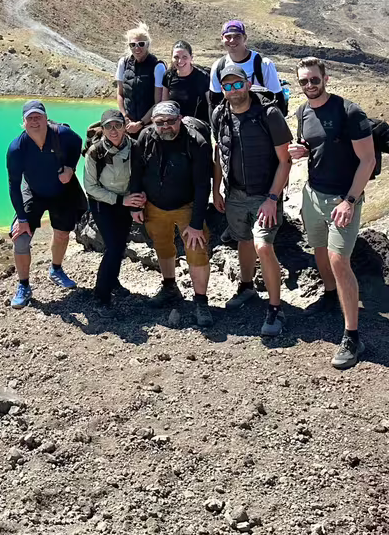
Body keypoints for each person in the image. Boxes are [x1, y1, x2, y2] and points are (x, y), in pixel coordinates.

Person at [289, 57, 376, 369]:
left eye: (315, 79)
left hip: (343, 198)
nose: (310, 86)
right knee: (320, 251)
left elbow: (368, 161)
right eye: (304, 81)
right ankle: (329, 296)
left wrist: (349, 201)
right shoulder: (302, 111)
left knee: (340, 260)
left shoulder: (349, 111)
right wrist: (301, 151)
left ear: (325, 78)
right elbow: (313, 145)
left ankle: (353, 336)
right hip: (313, 194)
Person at [212, 66, 292, 336]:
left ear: (247, 84)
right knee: (243, 240)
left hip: (264, 194)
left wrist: (272, 198)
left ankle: (275, 309)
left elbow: (285, 160)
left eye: (238, 84)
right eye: (228, 86)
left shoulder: (269, 114)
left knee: (263, 245)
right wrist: (216, 189)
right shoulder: (220, 115)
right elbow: (219, 151)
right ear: (222, 89)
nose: (233, 90)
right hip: (234, 193)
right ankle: (246, 287)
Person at [129, 101, 214, 327]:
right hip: (155, 205)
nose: (165, 126)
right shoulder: (146, 137)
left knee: (197, 249)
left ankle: (201, 301)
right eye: (160, 122)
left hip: (186, 205)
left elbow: (203, 185)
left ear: (180, 119)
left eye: (170, 121)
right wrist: (136, 204)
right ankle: (169, 287)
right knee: (162, 245)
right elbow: (136, 171)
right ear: (154, 123)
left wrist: (196, 223)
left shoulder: (197, 142)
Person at [6, 100, 85, 309]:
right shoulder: (17, 148)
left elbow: (78, 143)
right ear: (23, 123)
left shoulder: (61, 134)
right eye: (30, 118)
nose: (34, 121)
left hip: (62, 192)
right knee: (20, 238)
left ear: (46, 118)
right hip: (33, 191)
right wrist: (22, 219)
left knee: (62, 233)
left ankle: (56, 269)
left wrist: (71, 168)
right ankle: (24, 286)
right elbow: (14, 185)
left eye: (38, 117)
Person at [83, 109, 146, 314]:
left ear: (124, 126)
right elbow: (90, 187)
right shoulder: (95, 153)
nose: (113, 130)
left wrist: (137, 200)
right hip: (103, 204)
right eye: (108, 126)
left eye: (117, 125)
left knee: (119, 245)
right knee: (113, 246)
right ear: (102, 129)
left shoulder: (135, 147)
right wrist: (121, 200)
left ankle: (113, 281)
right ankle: (101, 294)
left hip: (125, 202)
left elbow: (140, 175)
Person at [209, 20, 287, 115]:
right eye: (228, 37)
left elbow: (277, 100)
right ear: (222, 38)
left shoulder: (263, 64)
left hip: (261, 122)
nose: (232, 40)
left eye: (237, 36)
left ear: (245, 38)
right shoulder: (218, 66)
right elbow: (215, 102)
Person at [116, 22, 166, 137]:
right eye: (132, 45)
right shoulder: (123, 63)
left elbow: (158, 102)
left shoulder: (158, 67)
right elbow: (120, 94)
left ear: (148, 45)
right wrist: (125, 117)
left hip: (149, 125)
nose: (137, 48)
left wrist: (141, 123)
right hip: (128, 123)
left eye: (141, 44)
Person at [161, 40, 210, 124]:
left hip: (198, 126)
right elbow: (165, 105)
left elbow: (210, 105)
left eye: (184, 57)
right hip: (175, 125)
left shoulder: (203, 77)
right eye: (176, 57)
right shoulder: (168, 76)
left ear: (191, 57)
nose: (180, 61)